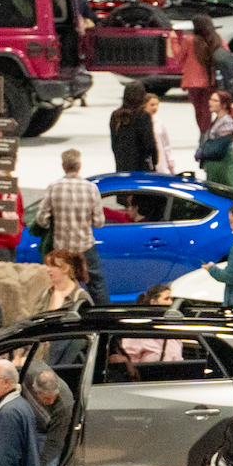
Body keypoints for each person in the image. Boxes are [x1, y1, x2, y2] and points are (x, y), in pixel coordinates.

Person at [38, 150, 109, 304]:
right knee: (96, 284)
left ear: (63, 166)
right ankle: (102, 319)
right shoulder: (91, 188)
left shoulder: (53, 187)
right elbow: (99, 222)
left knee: (64, 287)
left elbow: (41, 219)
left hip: (62, 250)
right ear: (79, 166)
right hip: (85, 247)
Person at [176, 16, 223, 134]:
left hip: (193, 81)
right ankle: (207, 132)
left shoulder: (189, 40)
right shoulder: (216, 39)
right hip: (210, 79)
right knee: (208, 109)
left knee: (198, 110)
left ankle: (204, 133)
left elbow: (180, 57)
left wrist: (172, 41)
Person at [198, 91, 233, 191]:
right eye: (210, 99)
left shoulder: (226, 121)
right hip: (216, 165)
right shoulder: (218, 120)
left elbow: (220, 145)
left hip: (224, 164)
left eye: (215, 100)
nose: (210, 102)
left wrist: (204, 152)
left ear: (224, 104)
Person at [109, 83, 158, 173]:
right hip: (141, 165)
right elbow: (149, 142)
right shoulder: (143, 116)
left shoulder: (116, 115)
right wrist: (155, 161)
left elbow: (114, 141)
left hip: (122, 163)